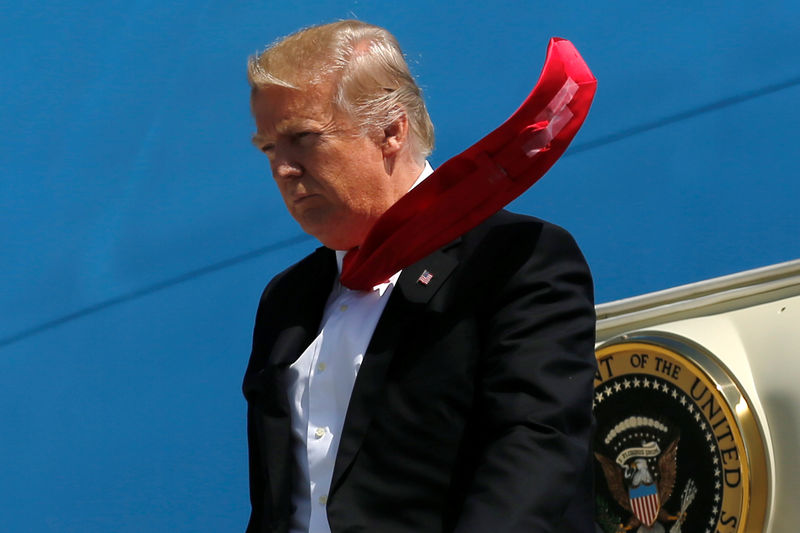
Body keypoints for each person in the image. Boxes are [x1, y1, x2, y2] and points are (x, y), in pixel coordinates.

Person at [243, 20, 597, 533]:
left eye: (302, 138)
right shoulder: (287, 298)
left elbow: (534, 453)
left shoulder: (515, 258)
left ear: (391, 130)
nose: (283, 169)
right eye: (269, 149)